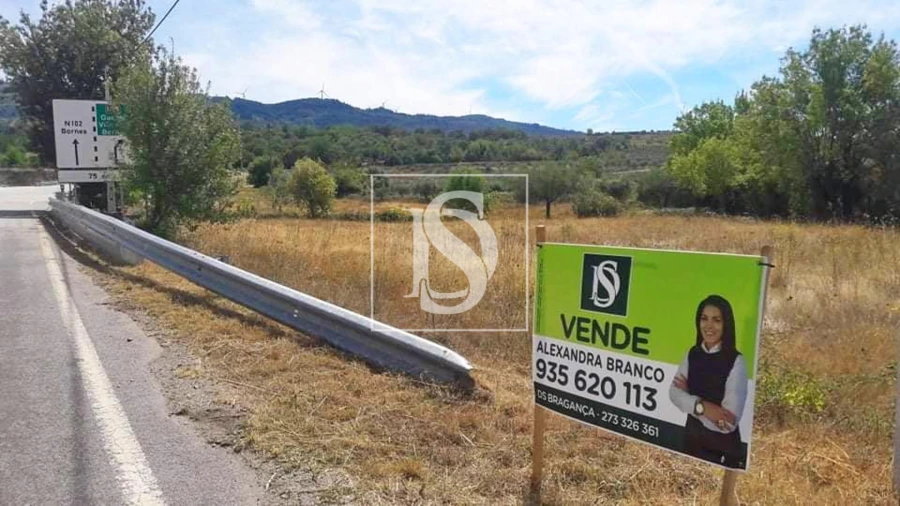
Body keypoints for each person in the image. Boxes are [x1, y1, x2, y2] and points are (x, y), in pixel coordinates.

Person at [669, 295, 748, 468]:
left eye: (716, 320)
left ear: (726, 324)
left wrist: (689, 402)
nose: (709, 326)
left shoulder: (736, 362)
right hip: (690, 443)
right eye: (704, 319)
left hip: (722, 453)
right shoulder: (693, 354)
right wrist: (703, 407)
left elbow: (726, 423)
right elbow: (674, 393)